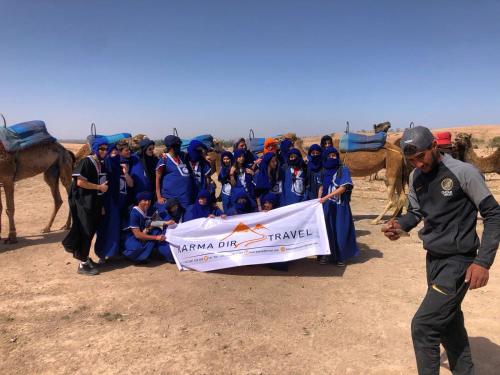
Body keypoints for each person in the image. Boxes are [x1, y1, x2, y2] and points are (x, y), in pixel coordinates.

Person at [381, 126, 500, 375]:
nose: (417, 163)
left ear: (435, 146)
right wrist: (399, 226)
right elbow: (415, 213)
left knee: (423, 326)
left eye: (421, 156)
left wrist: (483, 262)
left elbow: (493, 214)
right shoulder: (416, 177)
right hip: (433, 260)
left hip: (459, 263)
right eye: (411, 160)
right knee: (449, 325)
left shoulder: (463, 172)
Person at [62, 138, 109, 275]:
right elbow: (80, 183)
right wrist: (99, 187)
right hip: (84, 204)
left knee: (90, 231)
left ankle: (85, 258)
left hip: (93, 203)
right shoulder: (86, 162)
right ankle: (82, 265)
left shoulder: (99, 163)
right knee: (85, 232)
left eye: (106, 149)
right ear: (95, 149)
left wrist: (101, 204)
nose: (104, 151)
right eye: (101, 149)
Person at [319, 146, 360, 266]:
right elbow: (322, 186)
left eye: (334, 155)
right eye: (329, 156)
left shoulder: (343, 170)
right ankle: (327, 255)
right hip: (327, 206)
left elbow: (343, 187)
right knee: (328, 230)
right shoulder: (324, 171)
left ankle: (341, 257)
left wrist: (326, 197)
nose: (332, 158)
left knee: (340, 231)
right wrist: (320, 195)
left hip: (340, 206)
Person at [94, 141, 134, 262]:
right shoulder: (103, 167)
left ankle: (113, 253)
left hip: (118, 204)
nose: (114, 155)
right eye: (112, 153)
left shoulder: (122, 166)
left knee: (115, 229)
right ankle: (102, 255)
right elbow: (100, 188)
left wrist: (125, 172)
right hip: (106, 204)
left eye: (116, 153)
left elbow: (129, 185)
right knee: (104, 229)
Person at [121, 192, 166, 264]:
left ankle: (145, 255)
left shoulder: (149, 210)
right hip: (130, 237)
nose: (147, 203)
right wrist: (156, 237)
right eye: (144, 200)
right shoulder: (134, 213)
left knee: (156, 231)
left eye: (149, 200)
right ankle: (131, 256)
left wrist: (166, 223)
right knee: (136, 247)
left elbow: (153, 223)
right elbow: (137, 235)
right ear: (139, 201)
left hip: (142, 233)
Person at [156, 135, 195, 209]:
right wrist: (159, 197)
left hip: (185, 197)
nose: (179, 147)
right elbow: (157, 178)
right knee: (174, 218)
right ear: (171, 147)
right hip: (171, 198)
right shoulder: (164, 160)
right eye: (177, 146)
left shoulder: (183, 156)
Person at [260, 192, 288, 271]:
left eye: (269, 203)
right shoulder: (258, 214)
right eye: (265, 203)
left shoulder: (279, 214)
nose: (266, 205)